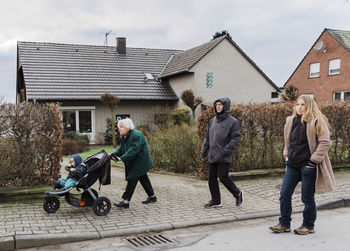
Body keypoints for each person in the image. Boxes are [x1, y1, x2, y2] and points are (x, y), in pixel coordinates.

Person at [270, 95, 335, 235]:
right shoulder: (290, 120)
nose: (299, 107)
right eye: (297, 104)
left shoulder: (317, 121)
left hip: (308, 166)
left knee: (307, 198)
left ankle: (308, 225)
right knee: (284, 194)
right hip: (292, 165)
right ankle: (284, 223)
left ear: (309, 106)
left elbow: (325, 142)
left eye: (303, 105)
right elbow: (287, 142)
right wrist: (286, 157)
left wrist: (313, 161)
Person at [200, 97, 243, 208]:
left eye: (220, 104)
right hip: (213, 155)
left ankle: (237, 193)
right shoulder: (212, 121)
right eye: (216, 105)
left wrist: (225, 150)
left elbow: (236, 139)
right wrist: (204, 150)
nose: (218, 106)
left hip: (224, 155)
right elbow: (207, 137)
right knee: (211, 179)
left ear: (226, 106)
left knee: (223, 177)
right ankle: (216, 201)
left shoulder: (233, 122)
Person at [112, 118, 156, 208]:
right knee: (143, 178)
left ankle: (125, 201)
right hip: (134, 161)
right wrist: (113, 154)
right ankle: (152, 197)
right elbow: (121, 148)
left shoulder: (136, 135)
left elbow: (134, 150)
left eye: (121, 127)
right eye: (118, 127)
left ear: (128, 128)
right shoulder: (124, 136)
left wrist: (122, 158)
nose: (119, 129)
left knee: (132, 178)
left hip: (140, 161)